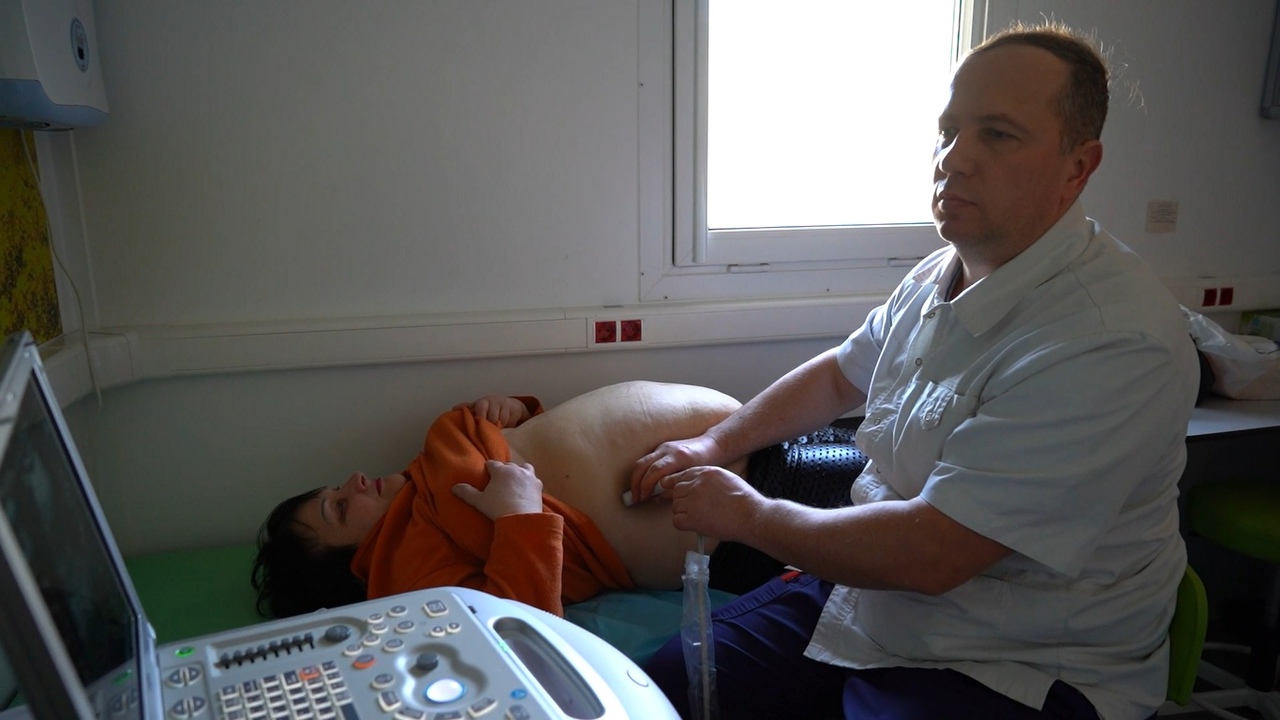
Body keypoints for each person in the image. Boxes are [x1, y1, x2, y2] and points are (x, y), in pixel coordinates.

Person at [628, 22, 1200, 720]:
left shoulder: (1110, 341)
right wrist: (715, 443)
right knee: (660, 689)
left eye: (997, 135)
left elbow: (933, 554)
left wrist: (750, 515)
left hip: (1015, 662)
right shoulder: (941, 272)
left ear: (1077, 166)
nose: (953, 160)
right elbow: (839, 376)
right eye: (947, 132)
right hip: (873, 602)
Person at [250, 380, 867, 619]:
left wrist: (513, 410)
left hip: (754, 435)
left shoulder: (430, 462)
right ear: (356, 565)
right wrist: (520, 517)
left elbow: (537, 438)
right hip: (738, 515)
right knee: (891, 493)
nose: (356, 480)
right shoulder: (412, 573)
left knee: (893, 444)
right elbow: (518, 623)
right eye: (339, 508)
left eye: (335, 489)